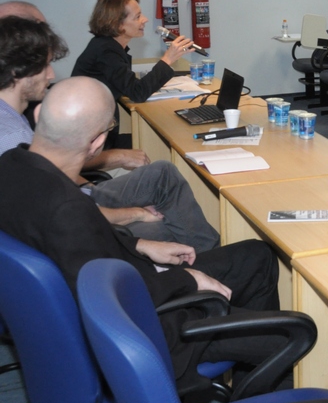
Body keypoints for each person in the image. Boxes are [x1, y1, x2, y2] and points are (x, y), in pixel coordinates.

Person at [0, 77, 289, 393]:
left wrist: (139, 243)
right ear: (97, 142)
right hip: (150, 330)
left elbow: (84, 251)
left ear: (39, 114)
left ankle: (243, 366)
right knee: (286, 334)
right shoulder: (67, 210)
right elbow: (113, 297)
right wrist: (187, 279)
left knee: (257, 256)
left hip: (127, 283)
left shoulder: (11, 165)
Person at [0, 13, 219, 252]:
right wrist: (135, 213)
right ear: (17, 71)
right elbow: (63, 214)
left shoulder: (12, 116)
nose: (52, 75)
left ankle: (209, 252)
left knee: (163, 173)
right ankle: (209, 258)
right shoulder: (11, 137)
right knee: (169, 227)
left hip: (78, 197)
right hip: (82, 223)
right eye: (45, 66)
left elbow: (56, 178)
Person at [71, 0, 195, 147]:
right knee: (162, 142)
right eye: (137, 17)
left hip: (98, 133)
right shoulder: (106, 51)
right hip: (91, 143)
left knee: (158, 139)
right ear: (117, 24)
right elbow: (137, 93)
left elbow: (128, 86)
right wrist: (168, 59)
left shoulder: (107, 46)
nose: (145, 20)